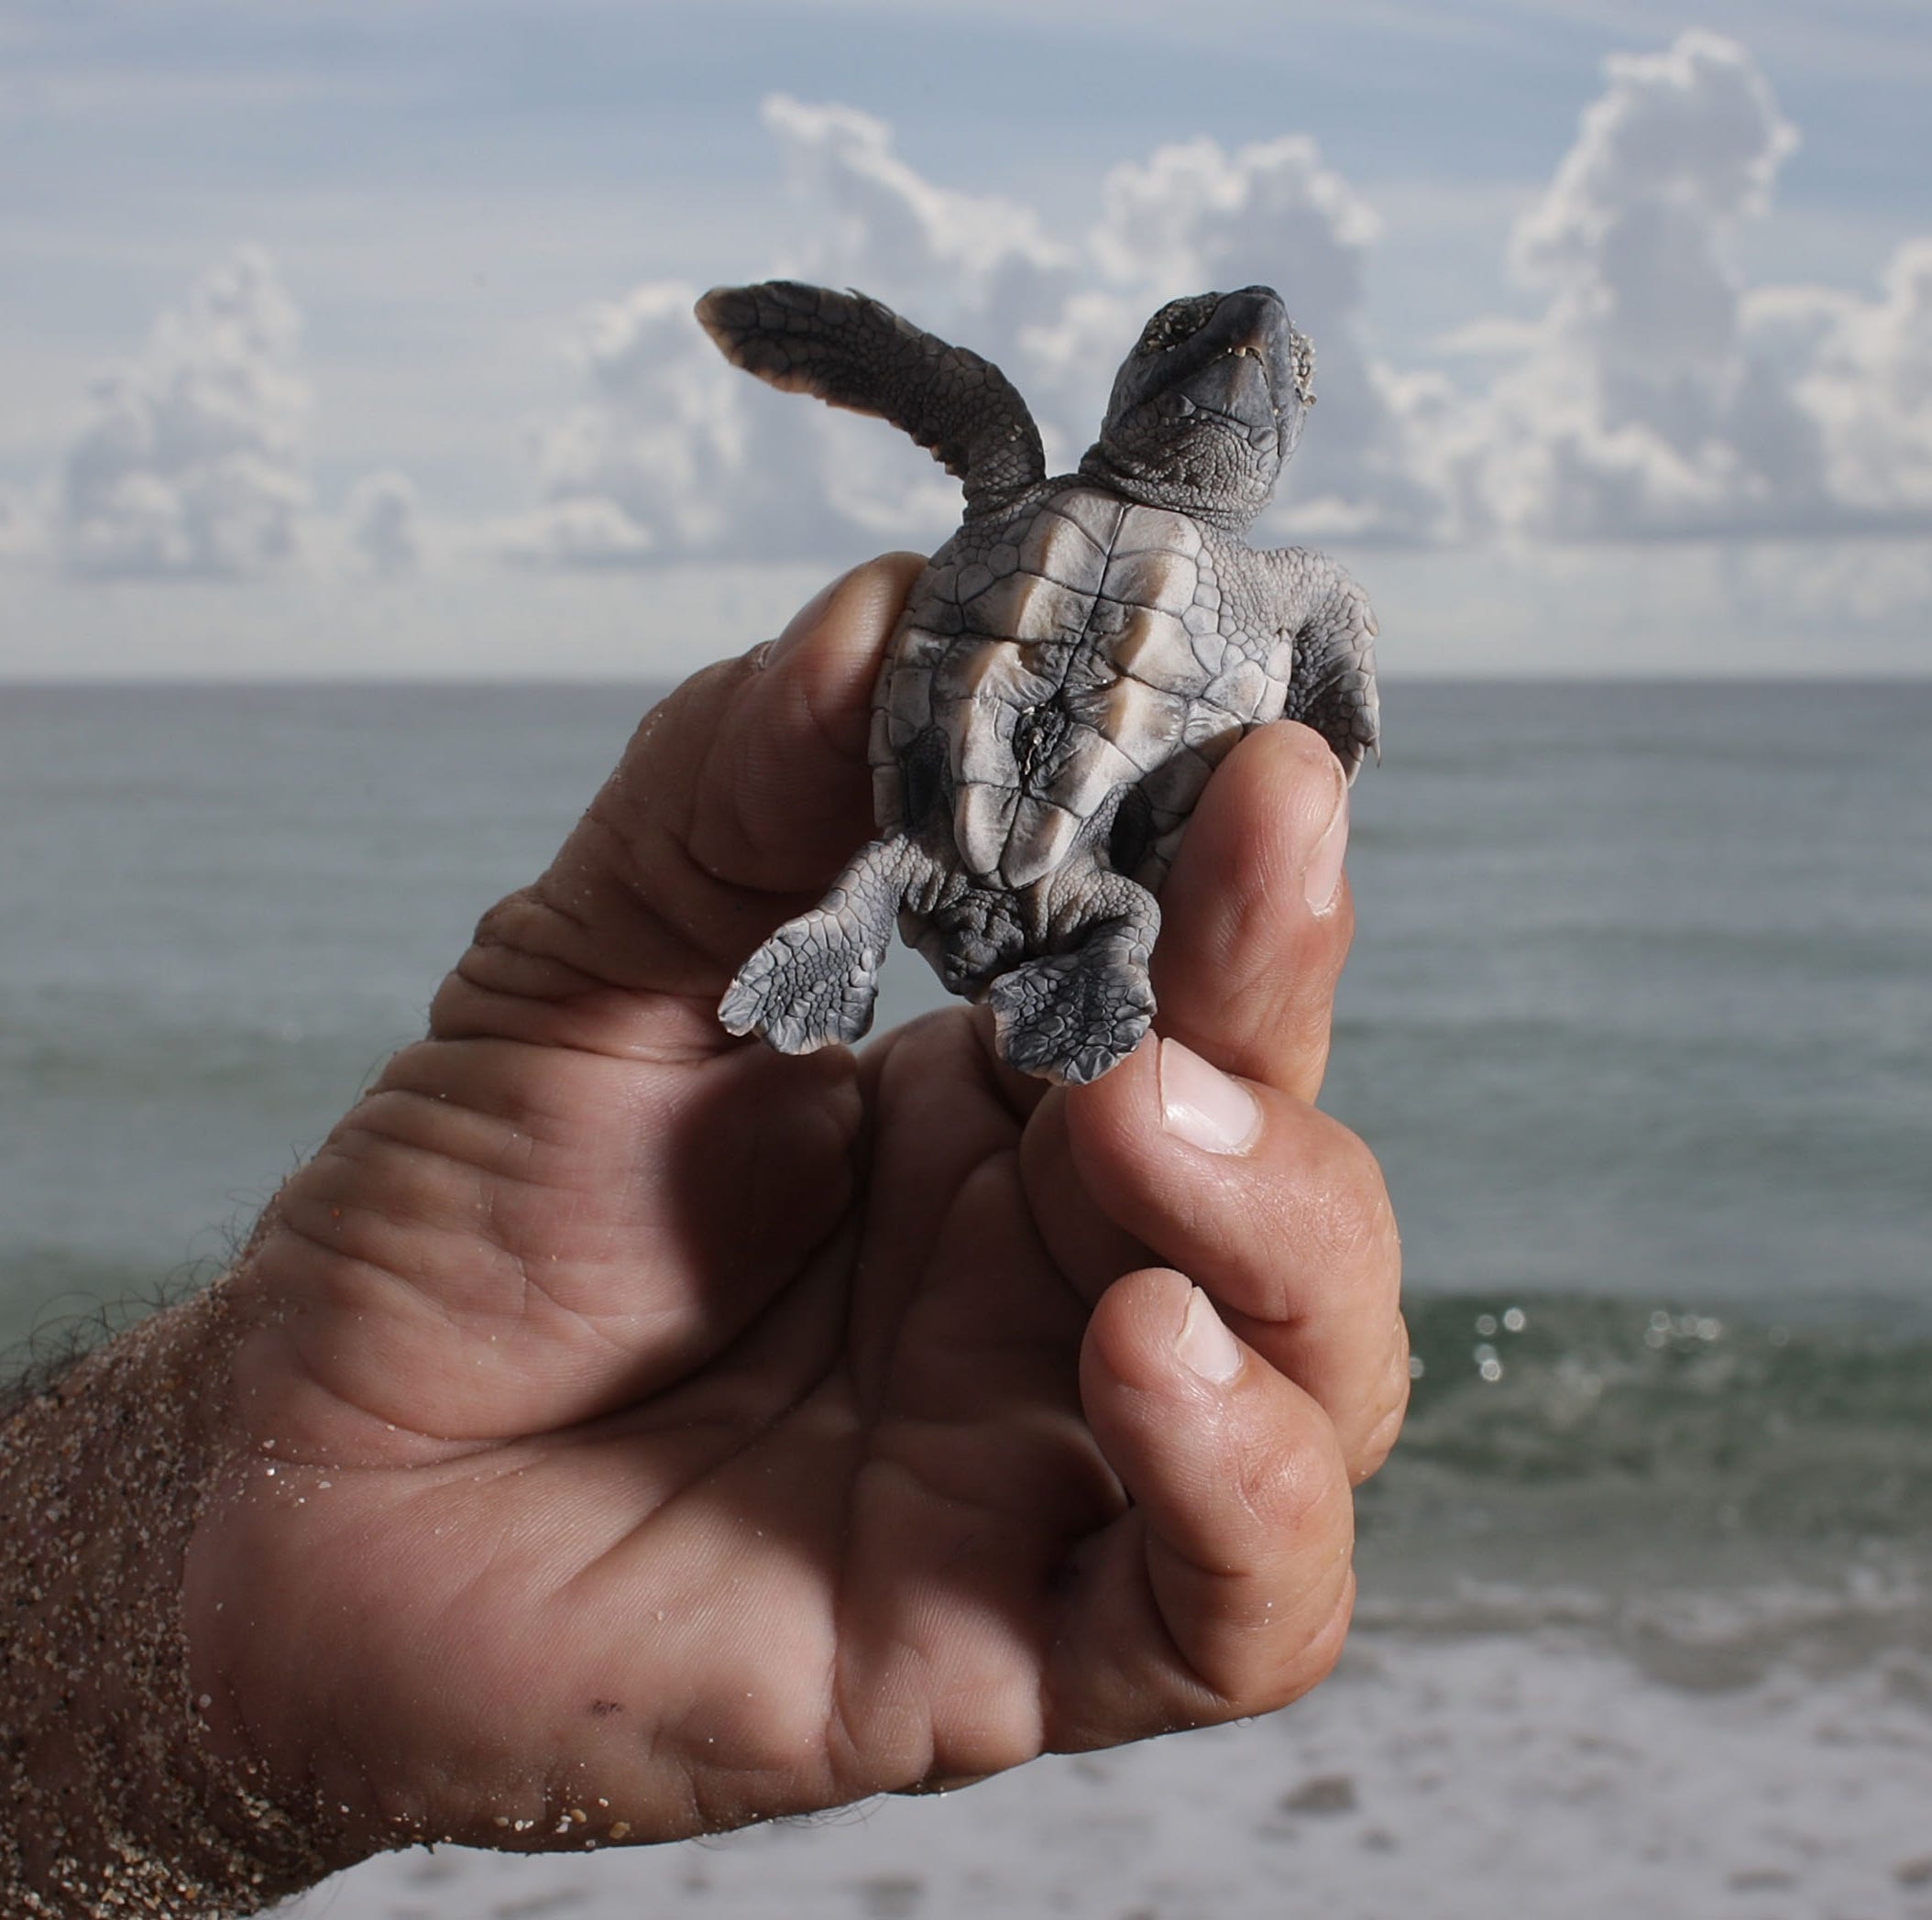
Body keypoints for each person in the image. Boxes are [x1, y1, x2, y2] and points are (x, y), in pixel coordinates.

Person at [0, 556, 1408, 1916]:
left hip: (1031, 890)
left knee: (1115, 999)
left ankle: (1015, 972)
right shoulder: (1247, 575)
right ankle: (886, 947)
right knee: (1028, 962)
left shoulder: (1277, 581)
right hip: (949, 872)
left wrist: (189, 1656)